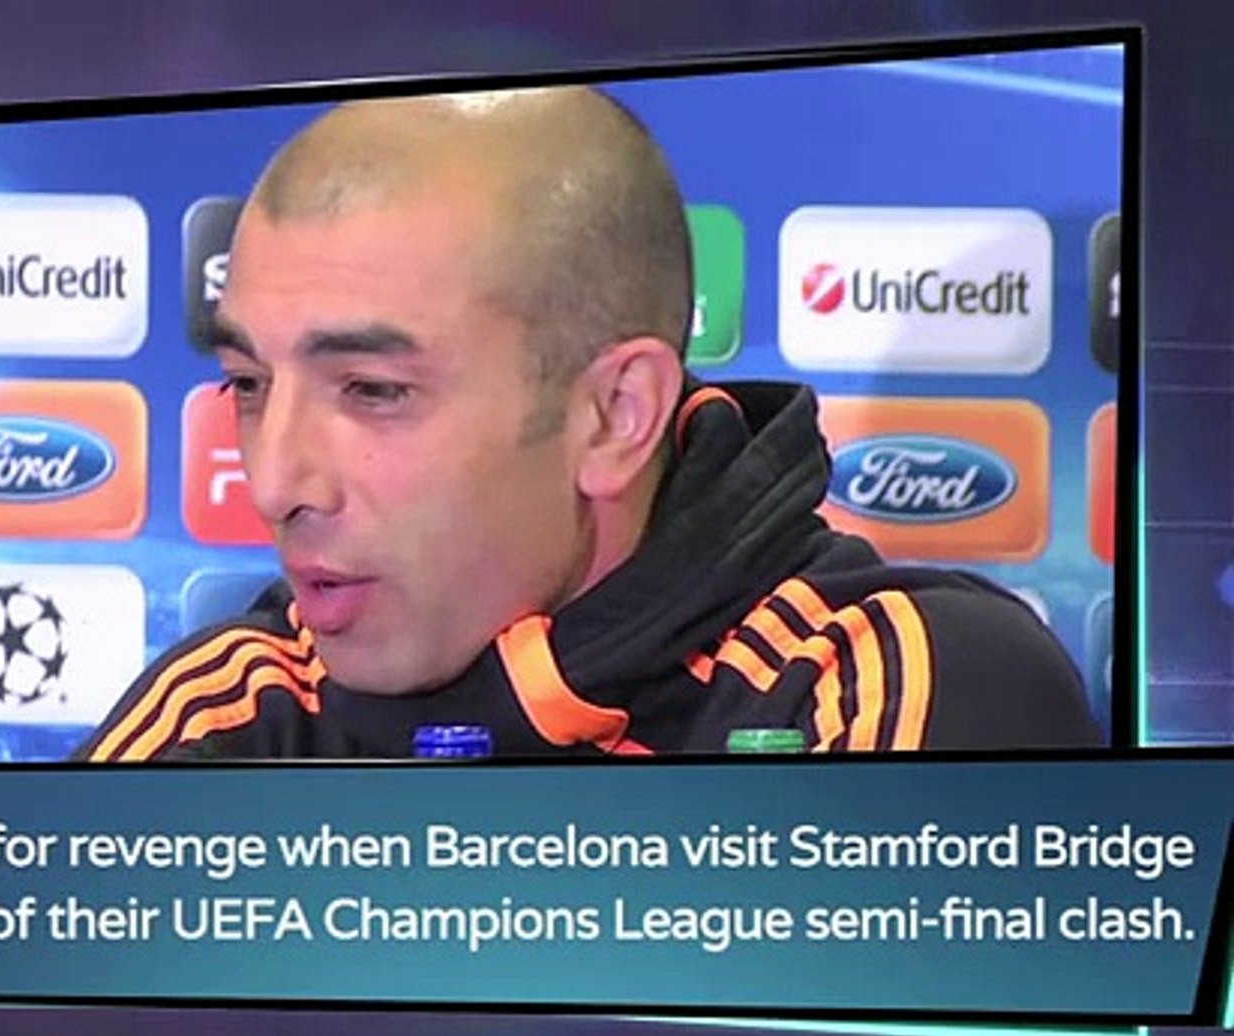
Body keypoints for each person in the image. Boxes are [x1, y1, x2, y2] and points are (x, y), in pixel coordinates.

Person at [71, 85, 1101, 761]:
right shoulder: (238, 708)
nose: (274, 485)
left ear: (615, 416)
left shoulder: (884, 683)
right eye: (250, 384)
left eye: (373, 391)